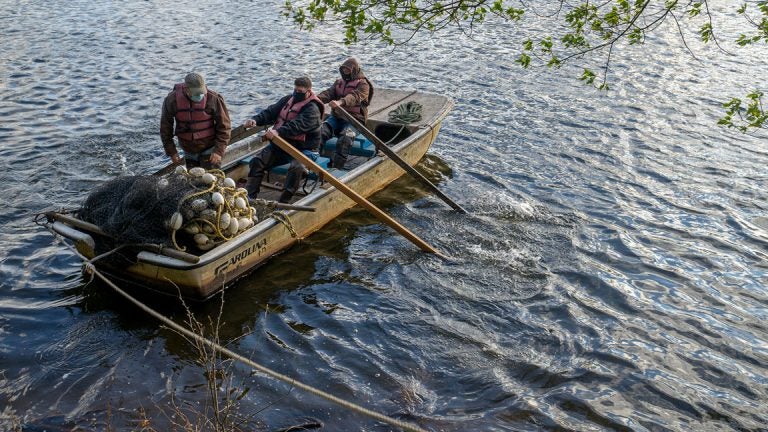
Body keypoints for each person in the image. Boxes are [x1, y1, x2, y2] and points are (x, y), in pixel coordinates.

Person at [242, 76, 324, 203]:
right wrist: (255, 120)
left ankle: (284, 202)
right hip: (282, 146)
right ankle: (250, 198)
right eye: (295, 90)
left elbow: (297, 125)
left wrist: (277, 132)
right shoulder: (288, 100)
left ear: (309, 91)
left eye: (300, 92)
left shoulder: (313, 109)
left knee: (296, 168)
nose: (297, 94)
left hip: (305, 150)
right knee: (257, 161)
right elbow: (270, 112)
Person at [160, 72, 231, 169]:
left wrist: (218, 151)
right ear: (186, 89)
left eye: (202, 92)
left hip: (209, 148)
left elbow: (225, 127)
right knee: (194, 181)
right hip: (188, 150)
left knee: (212, 179)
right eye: (196, 93)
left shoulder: (214, 99)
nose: (200, 95)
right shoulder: (171, 100)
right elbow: (165, 129)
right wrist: (172, 152)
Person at [317, 57, 373, 169]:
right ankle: (314, 162)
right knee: (319, 133)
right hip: (337, 118)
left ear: (354, 70)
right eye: (343, 70)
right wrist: (315, 99)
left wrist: (341, 102)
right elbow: (328, 93)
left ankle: (336, 168)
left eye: (348, 70)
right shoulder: (338, 83)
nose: (345, 72)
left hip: (354, 120)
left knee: (345, 139)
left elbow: (355, 97)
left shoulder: (364, 84)